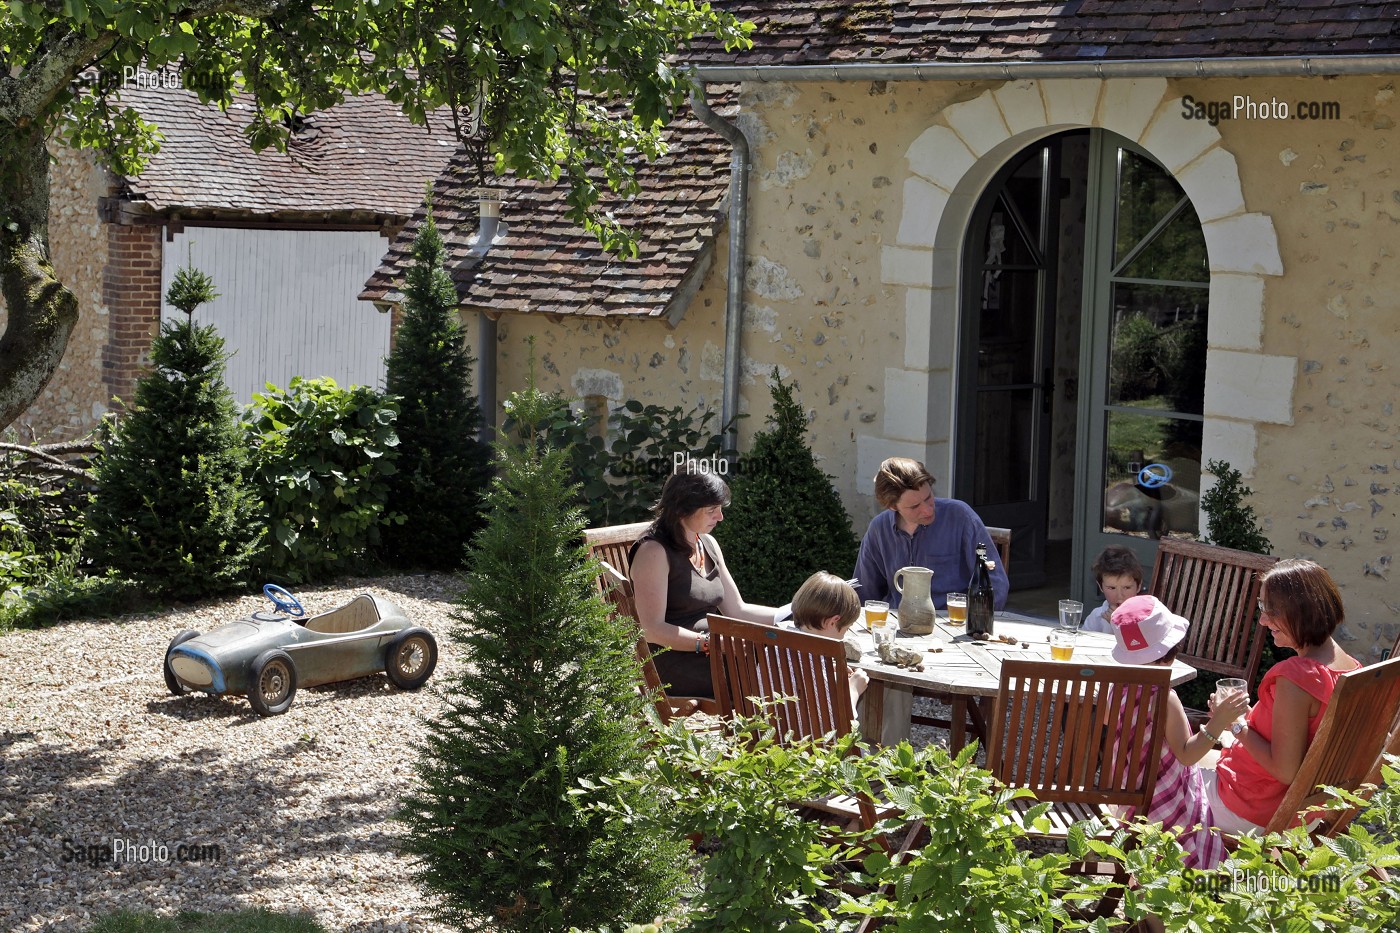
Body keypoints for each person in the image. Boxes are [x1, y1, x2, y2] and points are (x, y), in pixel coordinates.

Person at [1206, 559, 1360, 833]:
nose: (1263, 620)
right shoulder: (1350, 668)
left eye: (1271, 611)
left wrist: (1235, 726)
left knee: (1160, 780)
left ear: (1301, 612)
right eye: (1262, 607)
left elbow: (1286, 770)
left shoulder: (1296, 677)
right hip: (1304, 811)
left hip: (1253, 808)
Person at [1109, 595, 1243, 869]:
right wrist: (1219, 721)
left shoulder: (1117, 688)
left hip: (1126, 793)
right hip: (1159, 797)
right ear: (1170, 651)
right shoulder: (1165, 698)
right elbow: (1187, 755)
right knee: (1197, 786)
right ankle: (1185, 879)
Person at [629, 464, 777, 699]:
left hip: (717, 651)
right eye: (711, 510)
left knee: (790, 657)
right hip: (675, 662)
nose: (720, 517)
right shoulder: (654, 552)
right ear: (681, 510)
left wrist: (792, 618)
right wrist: (710, 644)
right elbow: (651, 629)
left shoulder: (707, 544)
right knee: (781, 671)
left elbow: (738, 610)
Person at [852, 457, 1008, 612]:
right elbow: (865, 592)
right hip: (897, 625)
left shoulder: (960, 517)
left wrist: (977, 623)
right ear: (893, 506)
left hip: (953, 625)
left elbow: (995, 583)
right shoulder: (879, 529)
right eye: (915, 506)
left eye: (928, 498)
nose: (927, 510)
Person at [788, 571, 870, 713]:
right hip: (808, 735)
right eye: (846, 629)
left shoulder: (773, 647)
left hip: (767, 732)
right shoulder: (812, 658)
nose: (844, 635)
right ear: (833, 622)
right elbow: (838, 721)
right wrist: (854, 689)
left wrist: (824, 669)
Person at [1082, 546, 1145, 634]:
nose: (1120, 596)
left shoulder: (1147, 618)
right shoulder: (1097, 616)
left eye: (1127, 588)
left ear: (1138, 586)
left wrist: (1119, 625)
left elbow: (1143, 645)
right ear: (1101, 587)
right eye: (1112, 588)